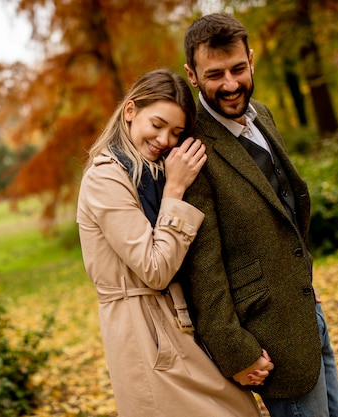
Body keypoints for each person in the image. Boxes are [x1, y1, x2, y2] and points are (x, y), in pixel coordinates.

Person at [179, 13, 338, 417]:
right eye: (215, 74)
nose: (231, 84)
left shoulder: (263, 116)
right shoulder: (193, 148)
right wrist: (236, 350)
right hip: (267, 339)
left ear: (251, 60)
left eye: (238, 68)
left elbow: (285, 207)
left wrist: (302, 275)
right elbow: (203, 267)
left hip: (307, 310)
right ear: (192, 75)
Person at [77, 68, 263, 417]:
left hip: (177, 322)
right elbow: (154, 268)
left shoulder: (153, 172)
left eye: (176, 132)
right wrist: (176, 190)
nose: (165, 139)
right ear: (130, 111)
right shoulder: (106, 177)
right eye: (158, 124)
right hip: (143, 330)